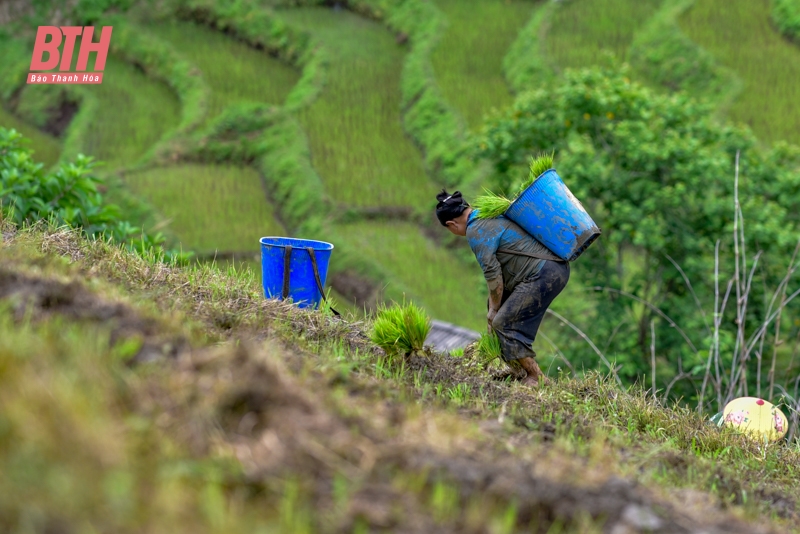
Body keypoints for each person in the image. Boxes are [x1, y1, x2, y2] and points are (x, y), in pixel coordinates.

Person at [435, 189, 570, 387]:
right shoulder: (484, 214)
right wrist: (492, 305)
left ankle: (536, 376)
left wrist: (494, 311)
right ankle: (517, 368)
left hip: (543, 274)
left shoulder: (476, 231)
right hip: (554, 267)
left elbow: (493, 276)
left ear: (451, 224)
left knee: (502, 322)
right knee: (495, 307)